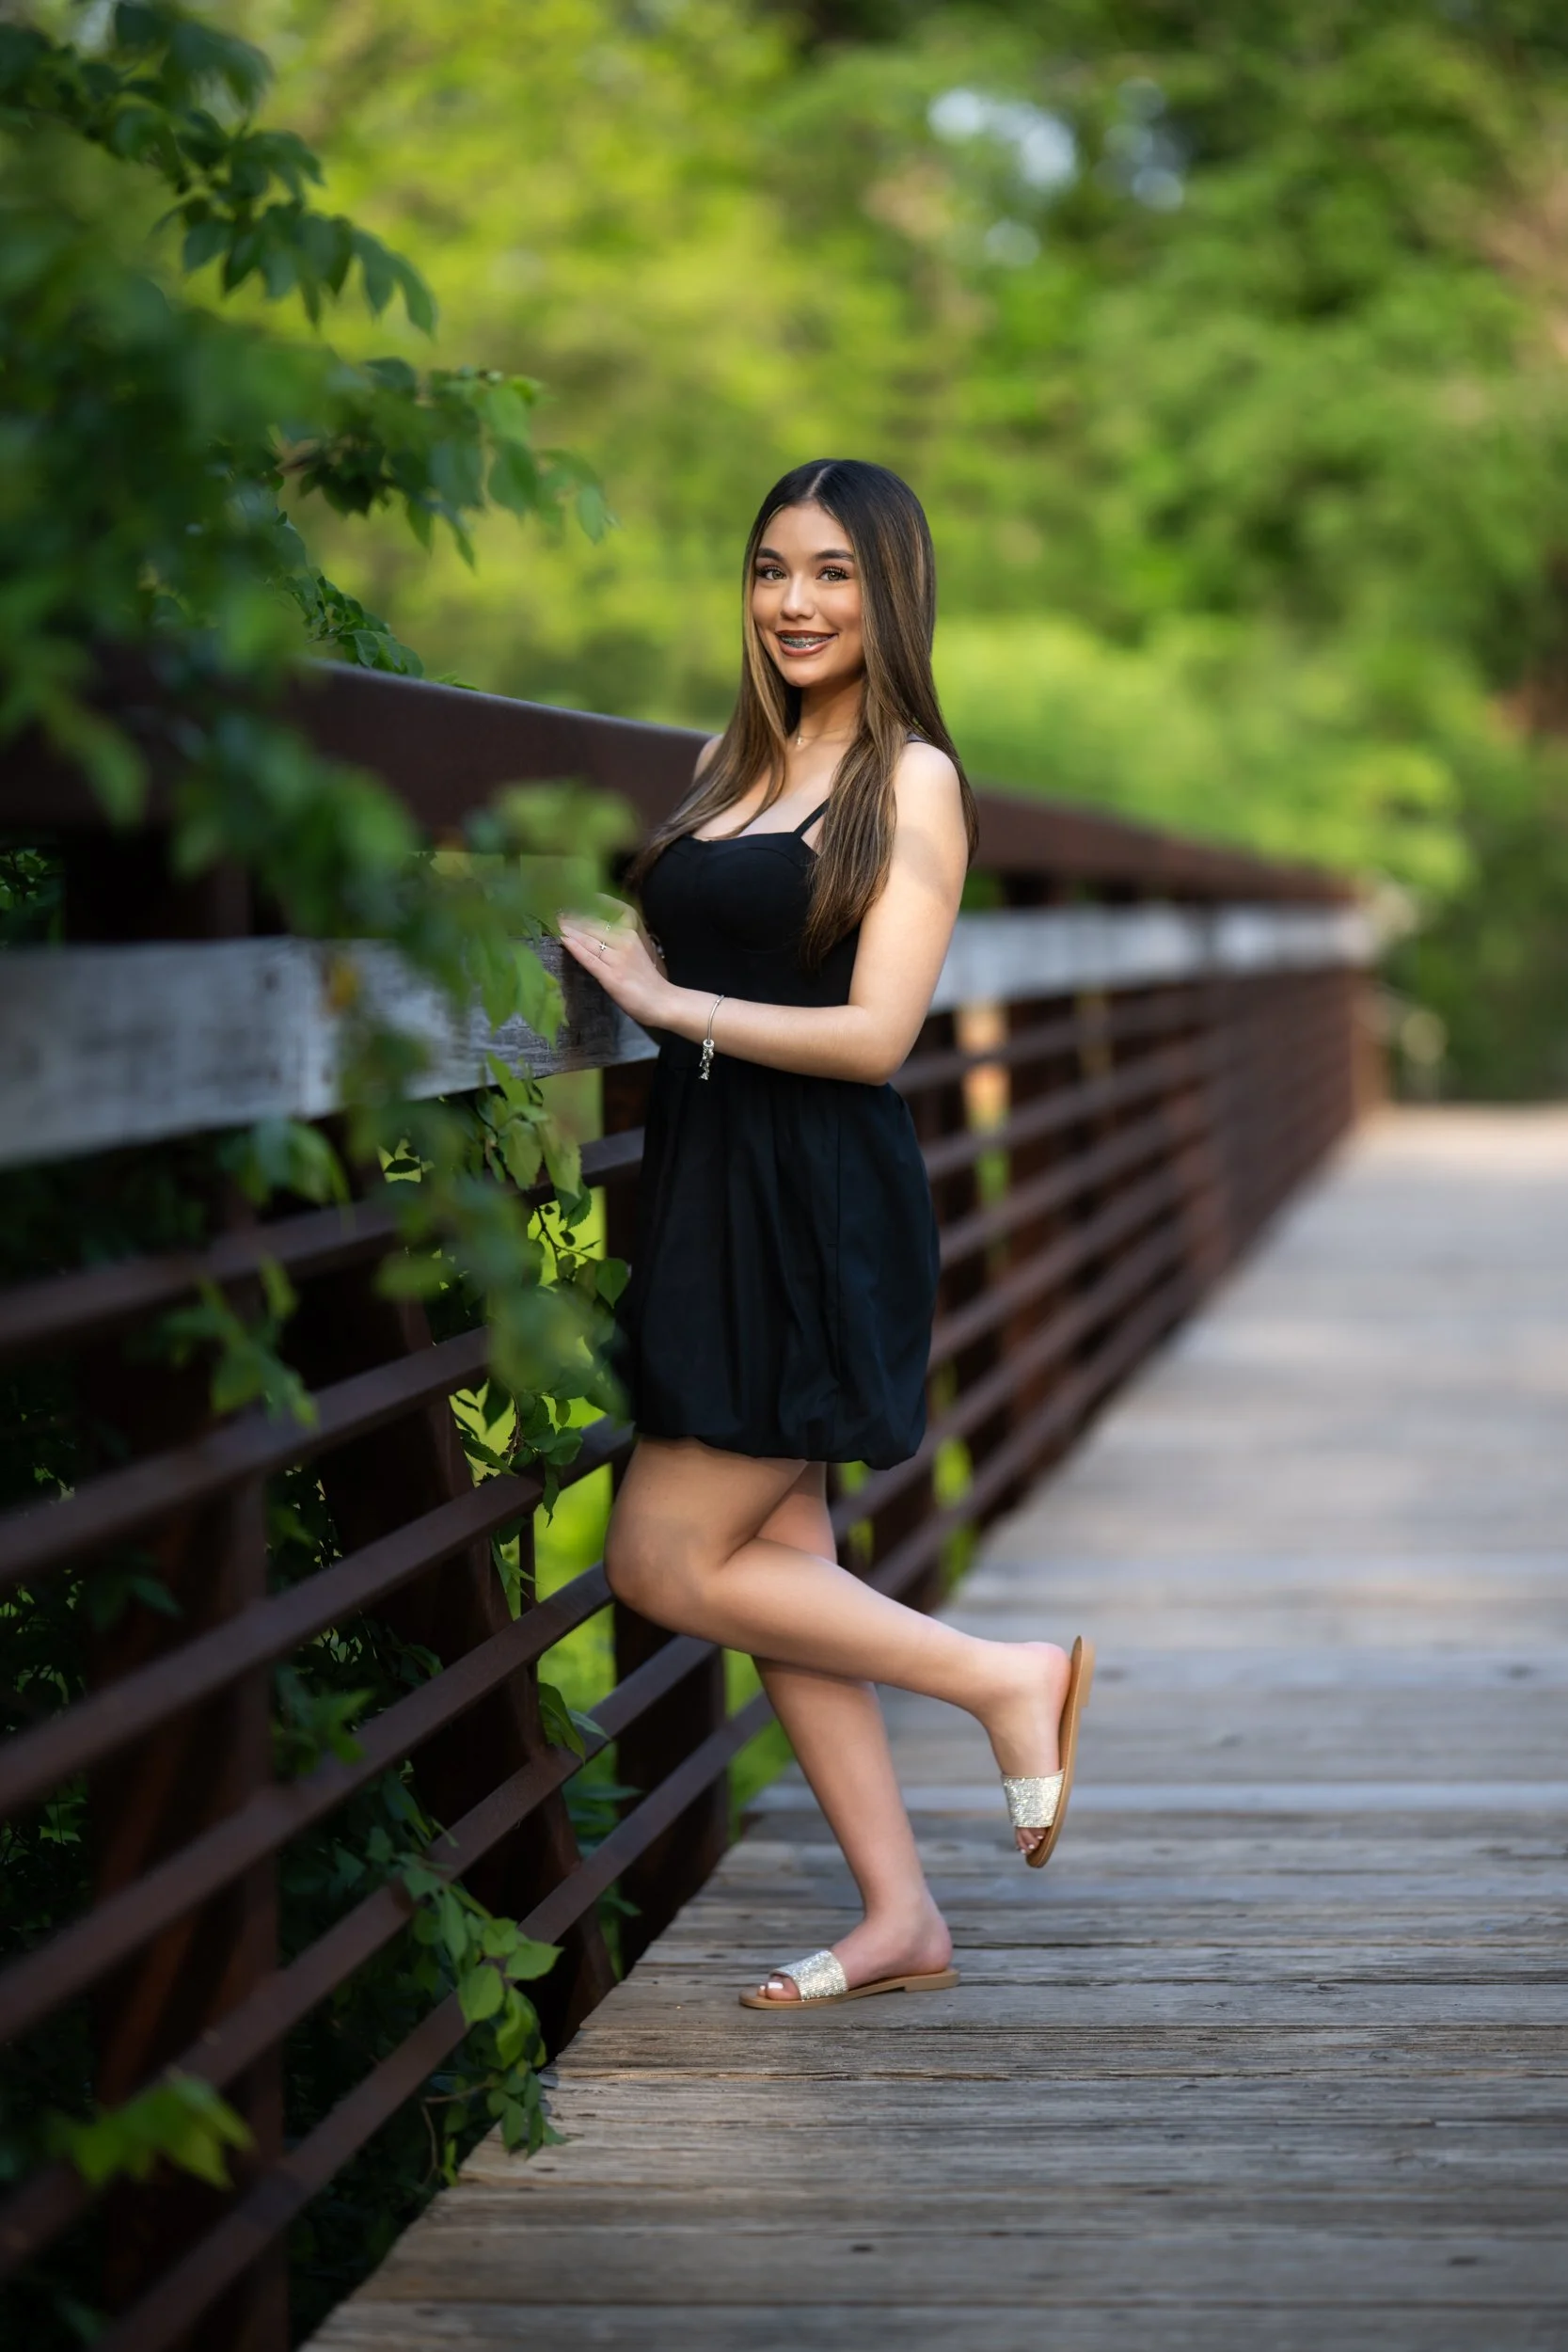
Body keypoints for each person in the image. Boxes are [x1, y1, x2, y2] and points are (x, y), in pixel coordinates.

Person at [559, 458, 1091, 2010]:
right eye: (772, 569)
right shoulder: (732, 764)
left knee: (664, 1562)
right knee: (778, 1558)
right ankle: (897, 1915)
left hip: (812, 1200)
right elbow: (686, 925)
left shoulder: (910, 778)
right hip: (713, 1186)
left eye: (834, 576)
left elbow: (873, 1036)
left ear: (892, 595)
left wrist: (665, 1004)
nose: (795, 603)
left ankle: (1007, 1677)